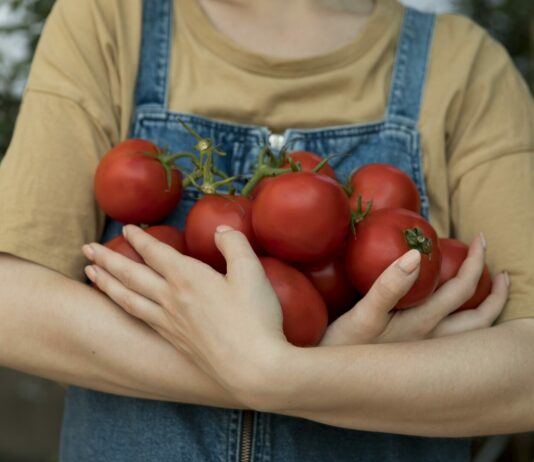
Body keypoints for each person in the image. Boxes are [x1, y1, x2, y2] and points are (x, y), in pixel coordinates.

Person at [0, 0, 533, 460]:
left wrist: (284, 375)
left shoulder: (463, 66)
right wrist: (270, 370)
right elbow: (14, 305)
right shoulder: (111, 22)